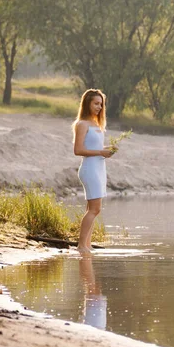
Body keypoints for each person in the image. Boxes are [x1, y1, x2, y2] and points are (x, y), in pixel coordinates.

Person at [73, 89, 114, 254]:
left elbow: (95, 148)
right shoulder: (82, 124)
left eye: (101, 104)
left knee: (91, 208)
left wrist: (106, 150)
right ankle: (81, 246)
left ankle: (87, 245)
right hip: (89, 169)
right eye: (96, 103)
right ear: (87, 104)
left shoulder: (97, 124)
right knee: (95, 209)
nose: (99, 107)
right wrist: (100, 152)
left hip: (99, 168)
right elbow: (78, 150)